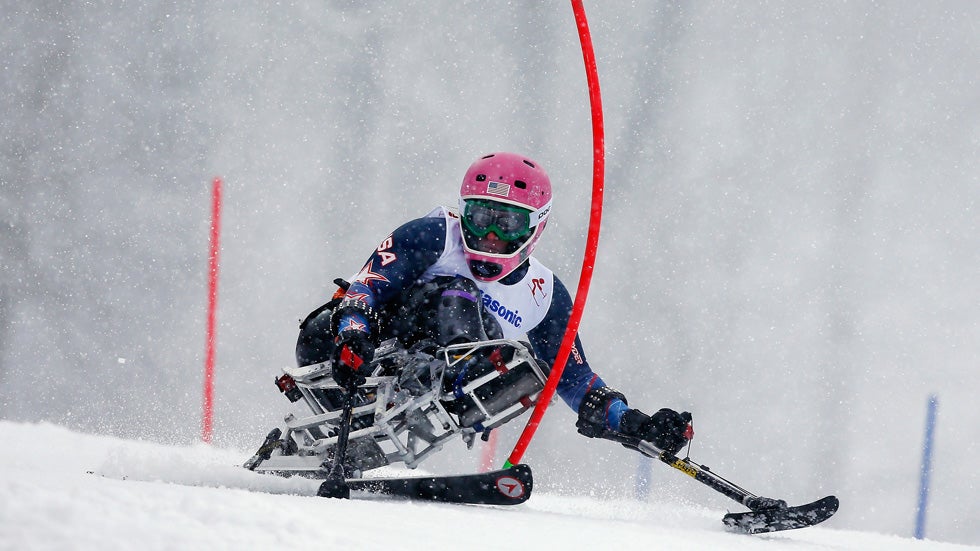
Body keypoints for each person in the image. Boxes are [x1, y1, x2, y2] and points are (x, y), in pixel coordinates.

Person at [295, 152, 693, 455]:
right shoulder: (433, 235)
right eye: (480, 216)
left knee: (530, 365)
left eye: (506, 224)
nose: (487, 235)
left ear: (536, 226)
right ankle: (363, 421)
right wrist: (352, 332)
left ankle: (460, 381)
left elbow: (571, 378)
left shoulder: (545, 294)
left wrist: (632, 422)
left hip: (452, 382)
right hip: (362, 344)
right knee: (456, 290)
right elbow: (367, 288)